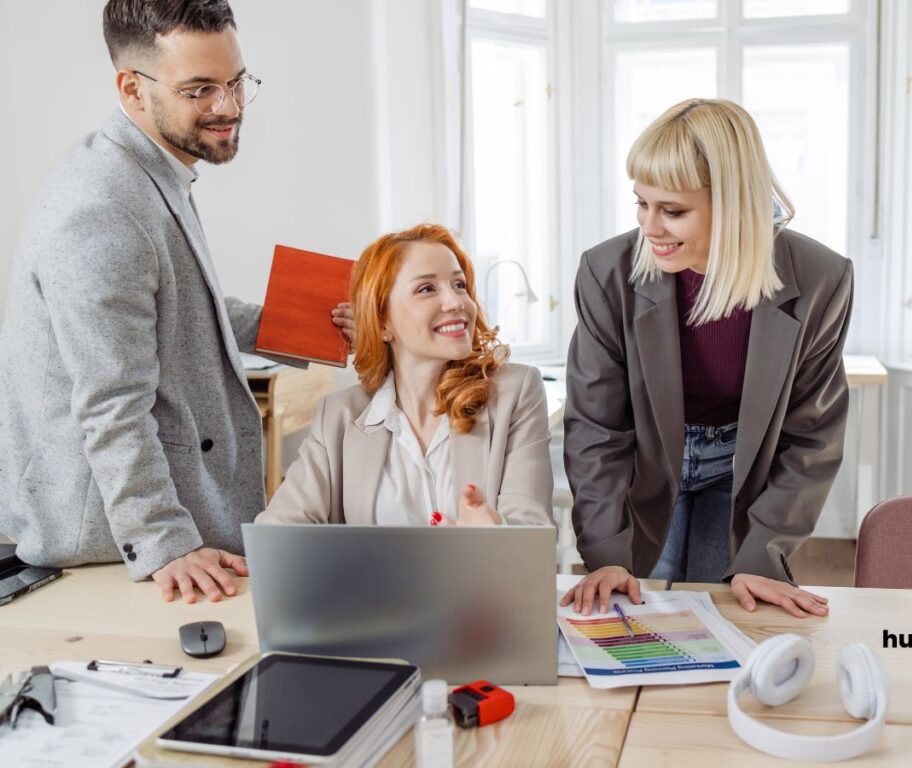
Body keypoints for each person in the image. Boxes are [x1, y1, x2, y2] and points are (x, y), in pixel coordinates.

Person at [0, 0, 344, 603]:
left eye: (236, 82)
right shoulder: (100, 210)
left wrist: (323, 325)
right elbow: (112, 403)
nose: (229, 107)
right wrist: (164, 541)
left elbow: (187, 304)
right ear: (133, 88)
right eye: (200, 89)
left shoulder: (151, 169)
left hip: (151, 526)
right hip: (113, 546)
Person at [561, 98, 852, 618]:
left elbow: (811, 436)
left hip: (741, 470)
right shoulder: (606, 272)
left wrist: (764, 555)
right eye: (641, 203)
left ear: (736, 202)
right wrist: (605, 554)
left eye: (672, 211)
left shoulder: (820, 279)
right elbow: (596, 427)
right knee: (636, 617)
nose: (649, 227)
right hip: (646, 467)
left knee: (728, 618)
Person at [257, 224, 554, 527]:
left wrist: (494, 536)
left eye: (459, 285)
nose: (456, 302)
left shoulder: (516, 392)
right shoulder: (338, 415)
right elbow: (279, 530)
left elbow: (531, 532)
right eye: (427, 289)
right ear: (383, 322)